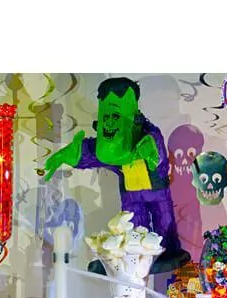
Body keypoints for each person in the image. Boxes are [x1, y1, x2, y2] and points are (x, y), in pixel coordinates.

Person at [44, 77, 190, 274]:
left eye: (115, 116)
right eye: (107, 117)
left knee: (164, 222)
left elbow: (157, 154)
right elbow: (90, 152)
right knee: (135, 226)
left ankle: (168, 253)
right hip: (130, 194)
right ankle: (136, 258)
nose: (110, 122)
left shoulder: (147, 133)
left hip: (157, 190)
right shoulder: (111, 142)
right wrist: (66, 155)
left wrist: (150, 151)